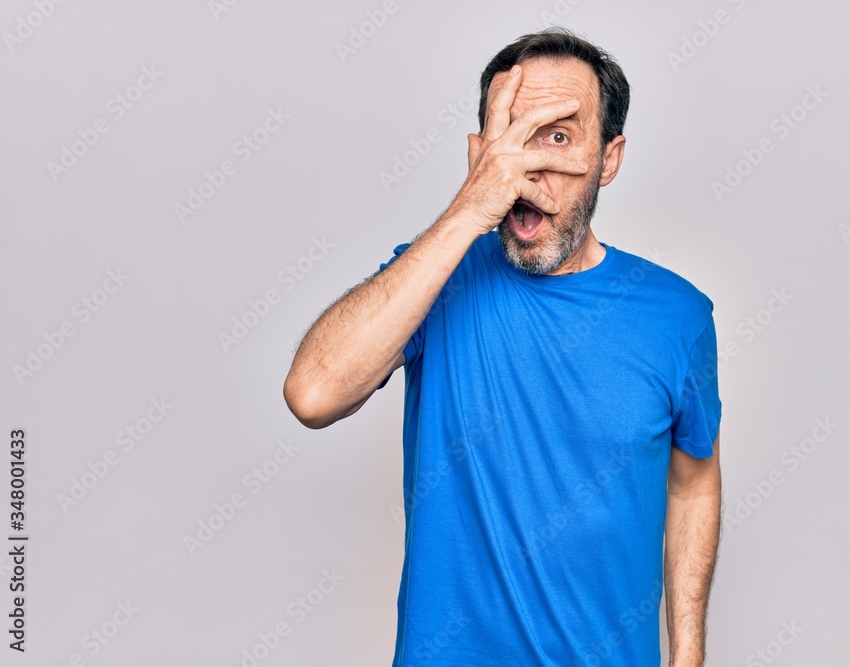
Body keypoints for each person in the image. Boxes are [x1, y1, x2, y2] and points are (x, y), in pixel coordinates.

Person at [283, 27, 722, 667]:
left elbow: (693, 481)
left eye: (560, 137)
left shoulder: (678, 316)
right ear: (481, 153)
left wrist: (687, 656)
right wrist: (469, 210)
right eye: (511, 137)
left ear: (609, 158)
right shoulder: (433, 281)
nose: (529, 167)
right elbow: (313, 393)